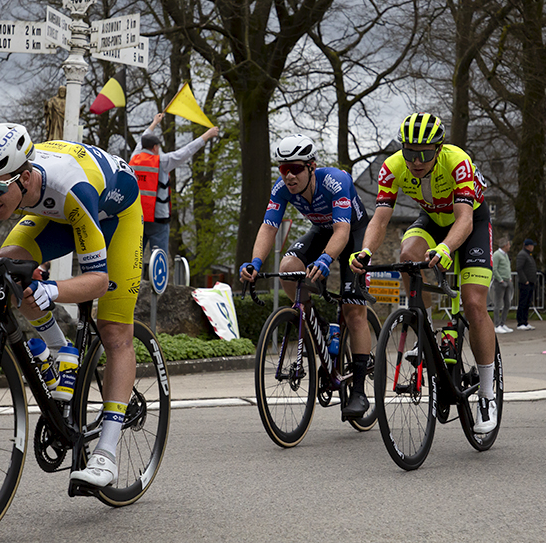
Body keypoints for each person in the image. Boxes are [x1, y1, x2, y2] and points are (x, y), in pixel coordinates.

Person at [0, 123, 142, 488]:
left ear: (25, 176)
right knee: (8, 266)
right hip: (55, 214)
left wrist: (51, 290)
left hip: (113, 213)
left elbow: (96, 280)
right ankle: (59, 347)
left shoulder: (71, 187)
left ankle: (107, 453)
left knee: (114, 331)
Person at [350, 112, 498, 434]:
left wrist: (446, 249)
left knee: (473, 304)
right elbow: (379, 219)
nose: (416, 161)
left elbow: (464, 220)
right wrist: (365, 251)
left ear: (438, 149)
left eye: (425, 153)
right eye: (410, 152)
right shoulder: (392, 167)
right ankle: (424, 327)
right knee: (407, 255)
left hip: (471, 221)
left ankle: (487, 394)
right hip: (432, 218)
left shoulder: (457, 161)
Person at [239, 134, 372, 418]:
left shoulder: (335, 182)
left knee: (353, 311)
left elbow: (343, 232)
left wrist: (326, 258)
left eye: (296, 168)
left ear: (311, 166)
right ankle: (317, 324)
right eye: (283, 169)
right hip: (322, 231)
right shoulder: (282, 188)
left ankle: (359, 391)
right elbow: (268, 228)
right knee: (288, 269)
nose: (289, 176)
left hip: (353, 233)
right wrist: (254, 262)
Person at [129, 112, 219, 255]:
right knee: (159, 257)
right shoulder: (162, 162)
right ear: (154, 148)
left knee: (135, 256)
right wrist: (207, 135)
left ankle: (132, 278)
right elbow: (186, 151)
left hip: (138, 216)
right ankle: (158, 278)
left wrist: (154, 123)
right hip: (158, 219)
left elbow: (142, 140)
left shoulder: (133, 159)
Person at [492, 237, 513, 334]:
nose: (509, 246)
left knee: (507, 303)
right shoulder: (497, 255)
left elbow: (506, 267)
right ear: (505, 245)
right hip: (500, 282)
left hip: (507, 281)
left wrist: (509, 278)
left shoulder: (505, 255)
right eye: (508, 244)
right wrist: (500, 280)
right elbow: (494, 268)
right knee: (498, 303)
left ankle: (502, 323)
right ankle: (496, 324)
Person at [516, 238, 537, 330]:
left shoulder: (529, 254)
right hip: (525, 282)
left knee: (528, 302)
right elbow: (519, 268)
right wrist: (525, 280)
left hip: (531, 282)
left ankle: (525, 321)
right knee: (523, 302)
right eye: (532, 245)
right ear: (528, 246)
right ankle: (520, 322)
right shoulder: (522, 254)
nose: (533, 247)